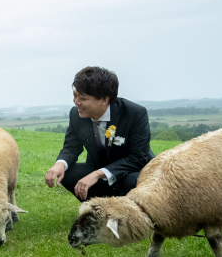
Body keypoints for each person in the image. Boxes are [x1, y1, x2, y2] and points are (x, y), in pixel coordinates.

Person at [45, 67, 154, 201]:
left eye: (83, 98)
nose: (76, 102)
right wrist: (59, 164)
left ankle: (129, 212)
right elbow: (71, 147)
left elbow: (137, 158)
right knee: (66, 173)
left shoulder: (135, 113)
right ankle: (98, 209)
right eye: (75, 95)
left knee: (133, 181)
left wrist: (97, 174)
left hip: (131, 172)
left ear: (104, 99)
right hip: (96, 166)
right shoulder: (76, 114)